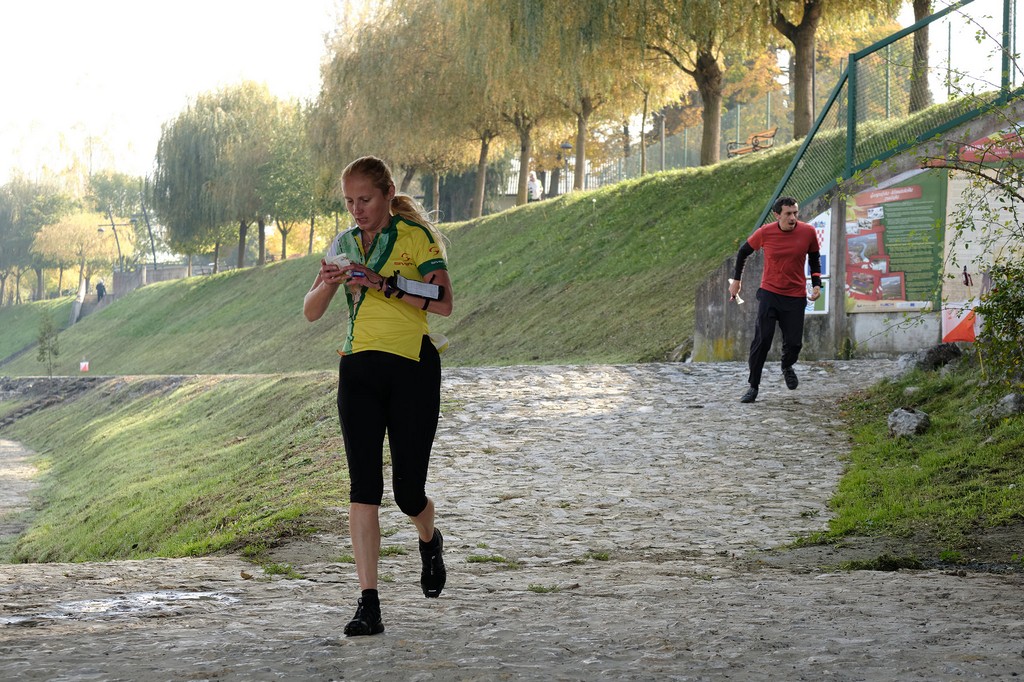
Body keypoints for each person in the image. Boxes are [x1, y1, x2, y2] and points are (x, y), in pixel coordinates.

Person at [303, 155, 454, 637]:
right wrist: (328, 285)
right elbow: (310, 311)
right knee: (363, 488)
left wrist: (384, 284)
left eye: (364, 199)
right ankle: (369, 603)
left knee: (408, 494)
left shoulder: (416, 237)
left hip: (412, 368)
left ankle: (429, 538)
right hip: (358, 370)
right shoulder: (342, 244)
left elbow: (443, 302)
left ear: (388, 193)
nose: (357, 210)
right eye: (349, 202)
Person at [728, 196, 821, 404]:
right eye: (788, 214)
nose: (793, 218)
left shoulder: (808, 232)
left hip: (795, 295)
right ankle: (753, 386)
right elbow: (743, 252)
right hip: (770, 293)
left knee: (794, 344)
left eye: (795, 213)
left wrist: (817, 284)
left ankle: (787, 365)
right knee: (762, 340)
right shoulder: (765, 233)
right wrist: (736, 281)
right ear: (777, 215)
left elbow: (815, 259)